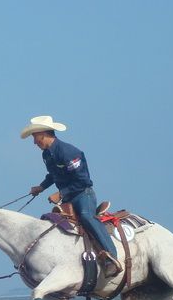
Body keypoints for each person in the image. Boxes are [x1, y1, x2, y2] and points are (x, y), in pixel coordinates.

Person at [21, 115, 123, 277]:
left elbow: (83, 181)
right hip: (68, 197)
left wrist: (60, 193)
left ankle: (111, 257)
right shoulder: (47, 155)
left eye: (35, 137)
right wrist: (41, 187)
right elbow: (53, 175)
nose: (34, 142)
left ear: (44, 134)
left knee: (86, 217)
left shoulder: (68, 152)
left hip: (83, 194)